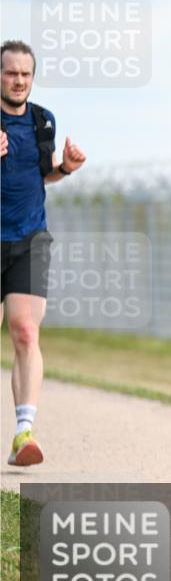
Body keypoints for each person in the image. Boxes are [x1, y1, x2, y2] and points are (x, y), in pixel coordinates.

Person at [1, 40, 87, 466]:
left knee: (26, 332)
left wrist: (66, 168)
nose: (18, 81)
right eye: (10, 73)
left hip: (31, 238)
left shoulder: (41, 121)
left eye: (25, 74)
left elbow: (41, 176)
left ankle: (24, 434)